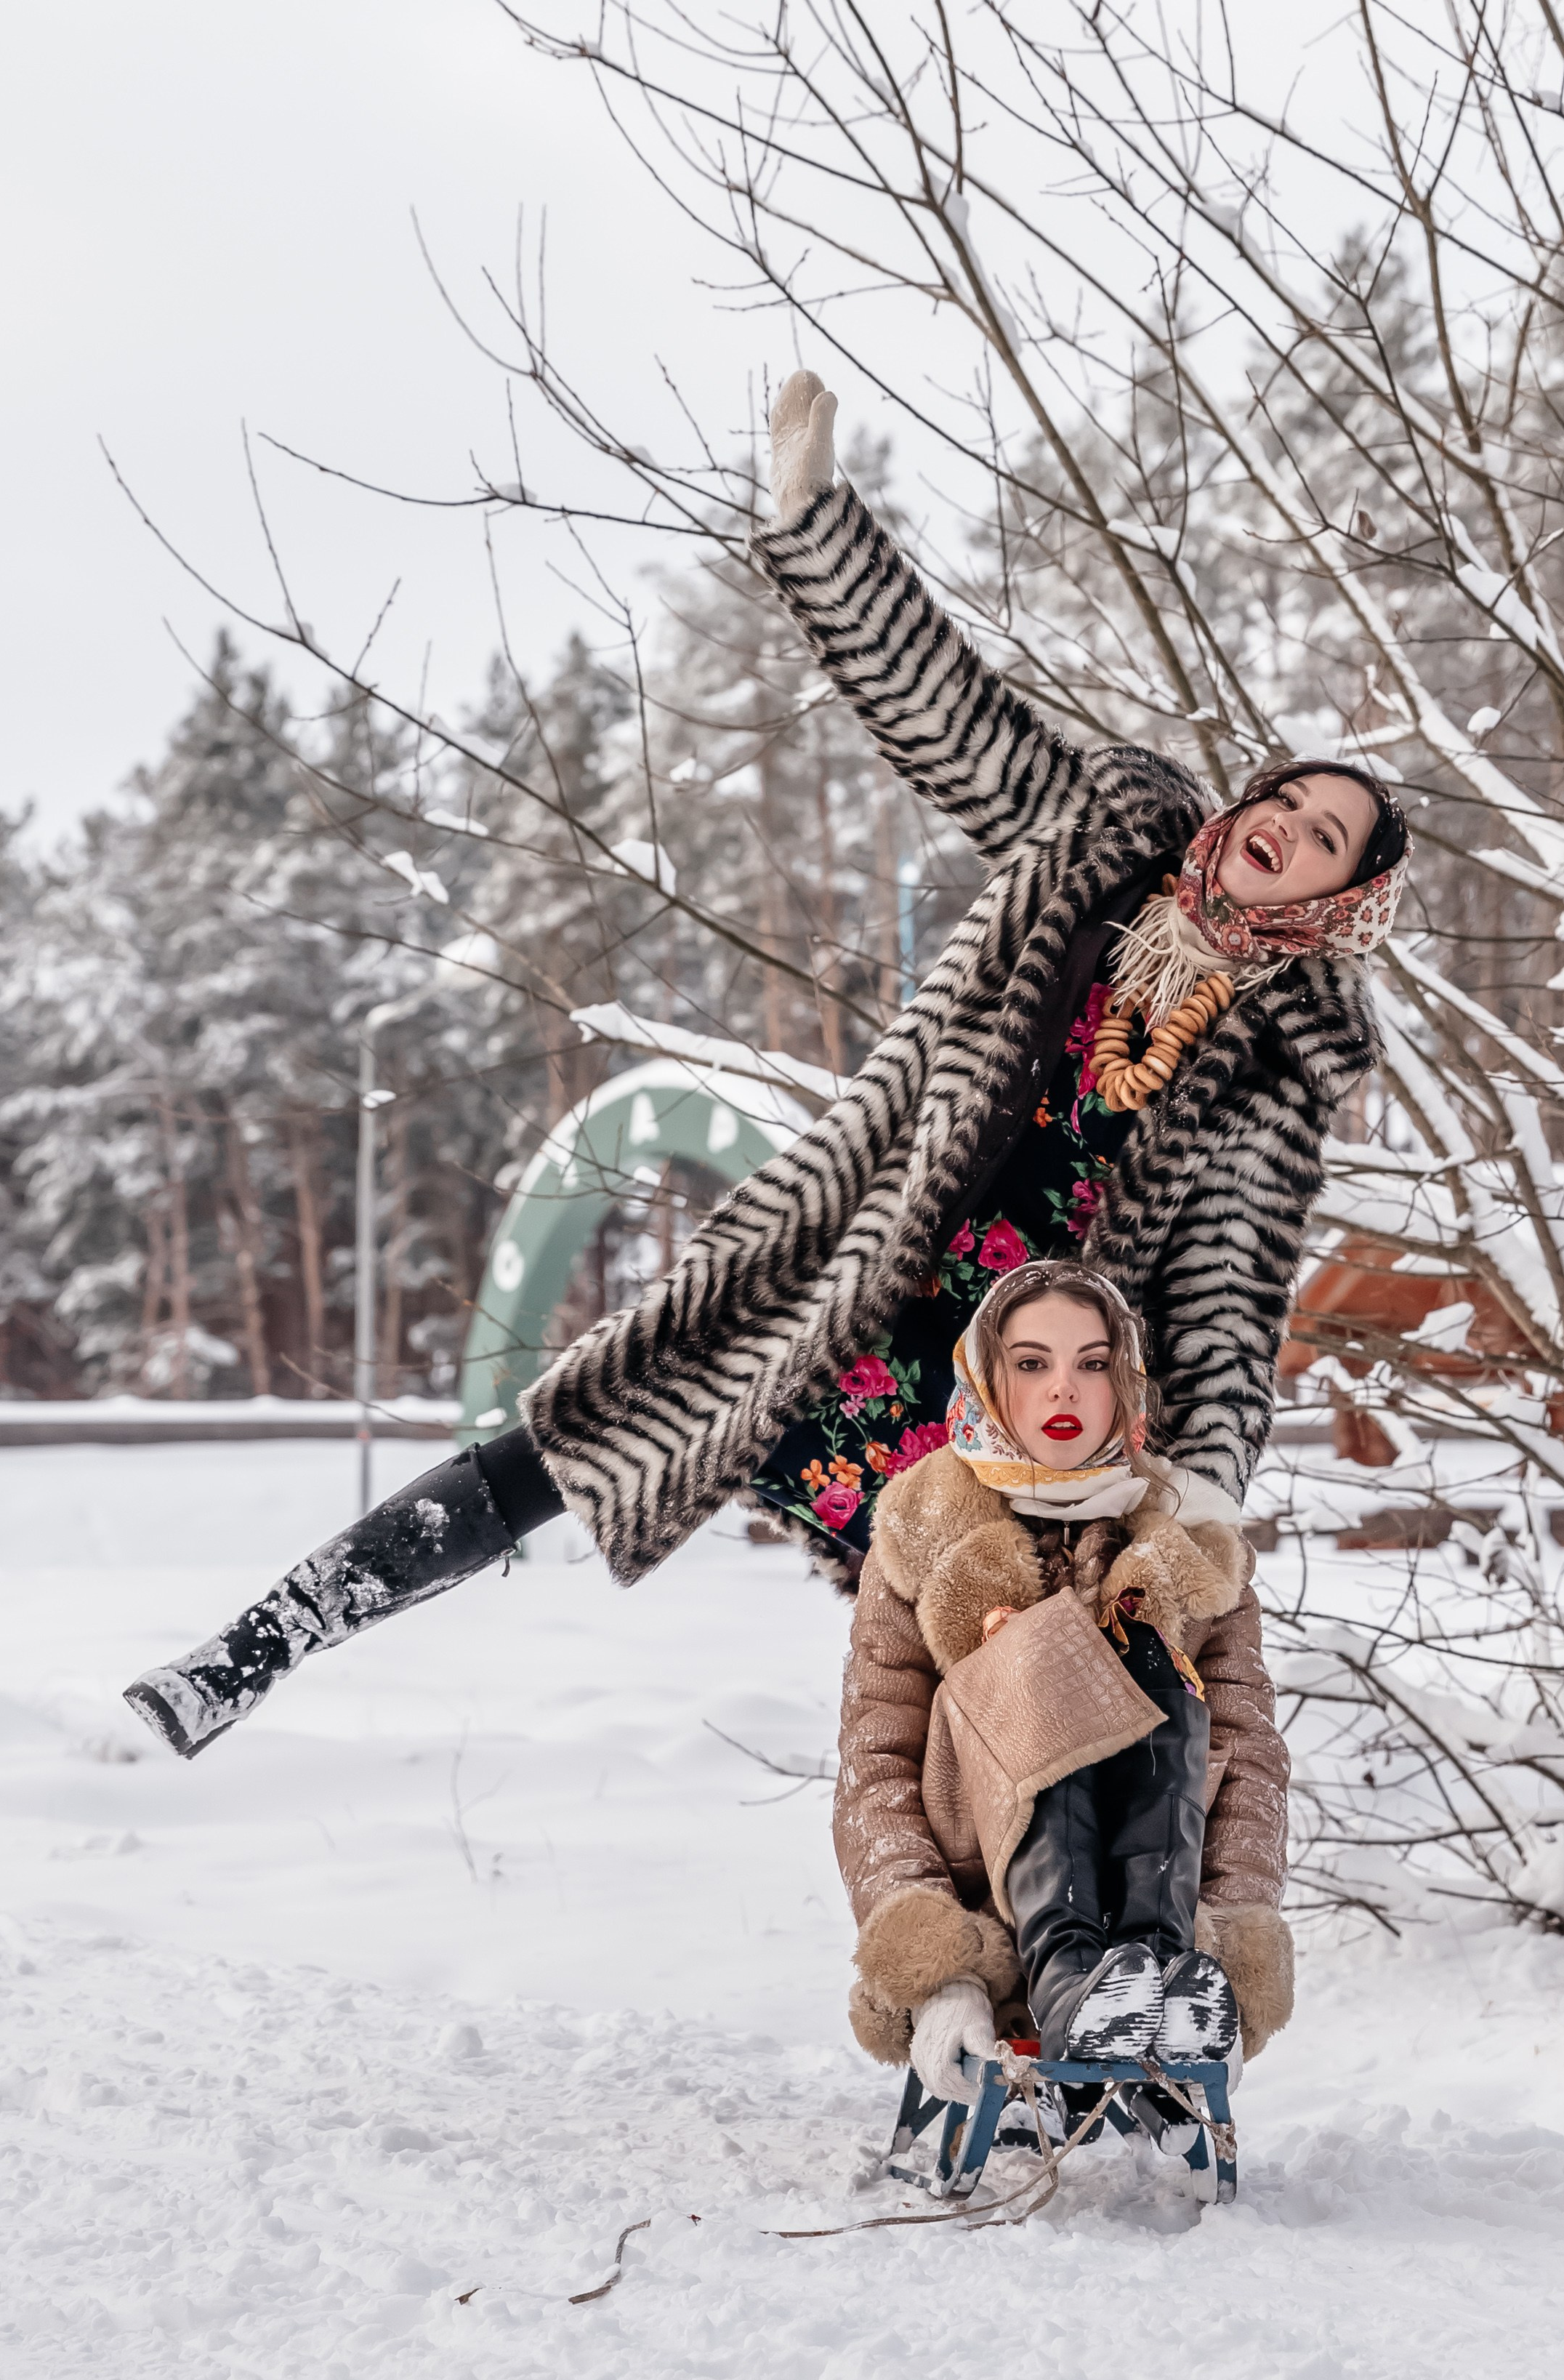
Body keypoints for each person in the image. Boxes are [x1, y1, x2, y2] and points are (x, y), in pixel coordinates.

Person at [123, 354, 1410, 2098]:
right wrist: (813, 521)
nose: (1280, 831)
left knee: (1004, 1666)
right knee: (572, 1437)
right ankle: (257, 1643)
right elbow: (941, 711)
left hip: (1015, 1377)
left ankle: (1054, 1992)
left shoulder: (1273, 1061)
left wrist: (1204, 1480)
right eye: (1283, 800)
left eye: (1321, 839)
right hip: (854, 1264)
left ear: (1335, 897)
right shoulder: (1096, 829)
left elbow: (1228, 1290)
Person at [836, 1258, 1288, 2109]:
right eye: (1030, 1362)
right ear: (987, 1375)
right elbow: (876, 1770)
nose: (1063, 1390)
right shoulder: (919, 1532)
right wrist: (938, 1963)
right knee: (1040, 1652)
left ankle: (1158, 1979)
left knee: (1157, 1663)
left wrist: (1229, 1951)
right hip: (989, 1904)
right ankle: (1069, 1977)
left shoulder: (1189, 1537)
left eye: (1092, 1362)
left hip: (1166, 1912)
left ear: (1127, 1380)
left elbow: (1249, 1765)